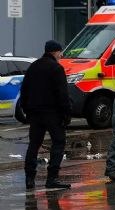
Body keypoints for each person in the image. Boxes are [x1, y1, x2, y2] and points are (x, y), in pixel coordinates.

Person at [21, 40, 72, 190]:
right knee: (59, 142)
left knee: (34, 144)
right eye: (60, 52)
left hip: (35, 114)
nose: (61, 55)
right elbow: (62, 94)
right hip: (53, 114)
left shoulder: (33, 67)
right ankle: (52, 178)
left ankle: (29, 179)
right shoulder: (56, 68)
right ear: (55, 52)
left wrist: (27, 110)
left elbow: (24, 91)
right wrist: (66, 114)